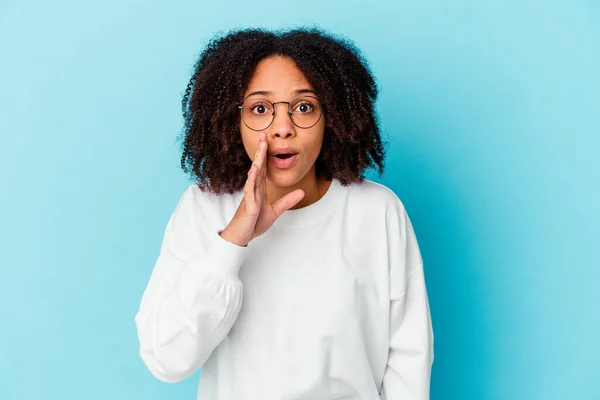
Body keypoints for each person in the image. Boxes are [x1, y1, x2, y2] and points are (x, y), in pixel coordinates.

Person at [134, 27, 434, 400]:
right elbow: (166, 359)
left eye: (304, 107)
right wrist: (233, 241)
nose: (282, 128)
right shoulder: (203, 207)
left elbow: (409, 359)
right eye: (260, 109)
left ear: (333, 116)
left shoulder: (377, 211)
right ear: (232, 119)